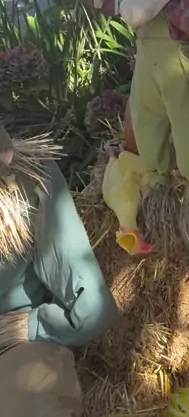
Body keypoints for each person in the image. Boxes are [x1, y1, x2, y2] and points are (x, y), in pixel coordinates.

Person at [0, 124, 118, 416]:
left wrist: (29, 326)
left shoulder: (30, 177)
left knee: (31, 396)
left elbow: (92, 310)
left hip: (12, 352)